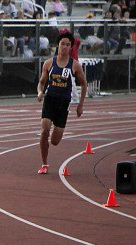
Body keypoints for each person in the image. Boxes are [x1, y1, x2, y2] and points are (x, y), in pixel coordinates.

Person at [36, 31, 87, 174]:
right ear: (57, 45)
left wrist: (80, 105)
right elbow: (41, 83)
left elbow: (84, 84)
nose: (64, 47)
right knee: (45, 129)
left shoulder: (75, 65)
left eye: (68, 45)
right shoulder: (49, 63)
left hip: (63, 104)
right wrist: (40, 92)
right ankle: (44, 164)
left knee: (55, 141)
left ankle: (54, 135)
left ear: (71, 48)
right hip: (50, 100)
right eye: (62, 44)